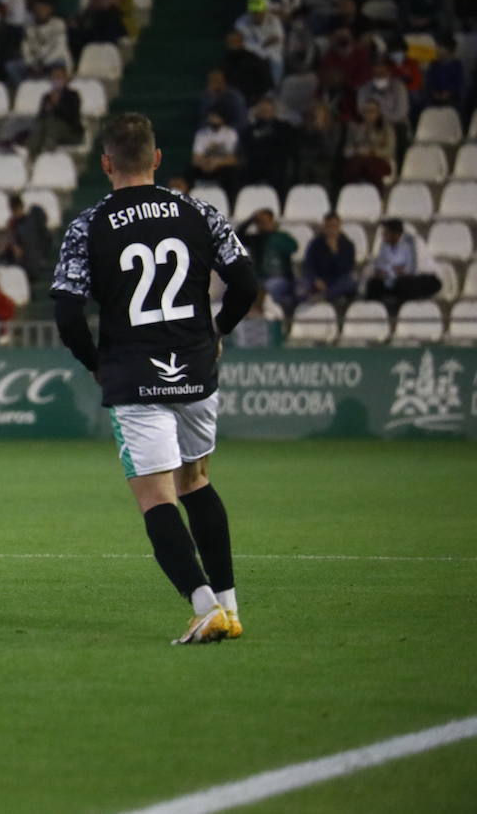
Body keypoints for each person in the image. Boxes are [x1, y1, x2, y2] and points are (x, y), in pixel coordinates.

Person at [50, 112, 259, 644]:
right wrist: (217, 330)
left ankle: (203, 605)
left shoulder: (89, 224)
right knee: (196, 481)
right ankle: (230, 607)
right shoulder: (197, 210)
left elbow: (69, 312)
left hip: (134, 371)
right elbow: (245, 281)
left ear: (105, 163)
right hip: (195, 365)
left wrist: (96, 362)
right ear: (157, 158)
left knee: (156, 498)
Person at [365, 218, 441, 310]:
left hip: (425, 278)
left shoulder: (413, 242)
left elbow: (410, 269)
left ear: (395, 233)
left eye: (386, 232)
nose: (383, 235)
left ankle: (400, 313)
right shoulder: (387, 245)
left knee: (403, 283)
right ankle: (375, 312)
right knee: (373, 284)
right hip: (400, 278)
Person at [237, 207, 298, 309]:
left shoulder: (282, 237)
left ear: (272, 221)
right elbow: (237, 237)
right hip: (259, 278)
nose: (263, 225)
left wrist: (273, 235)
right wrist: (250, 220)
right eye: (260, 222)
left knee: (266, 290)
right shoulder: (254, 239)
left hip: (279, 278)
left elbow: (293, 247)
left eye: (265, 221)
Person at [300, 213, 358, 304]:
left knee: (350, 281)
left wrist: (335, 252)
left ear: (339, 227)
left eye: (334, 226)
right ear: (324, 227)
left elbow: (347, 268)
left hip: (337, 280)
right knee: (302, 284)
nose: (332, 230)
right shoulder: (315, 243)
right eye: (329, 226)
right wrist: (315, 279)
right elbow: (308, 264)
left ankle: (324, 296)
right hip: (319, 279)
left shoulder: (347, 245)